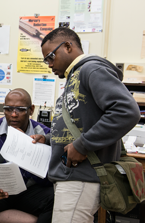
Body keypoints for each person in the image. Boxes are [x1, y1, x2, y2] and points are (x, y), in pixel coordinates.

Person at [32, 27, 140, 222]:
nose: (49, 64)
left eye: (50, 57)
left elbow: (126, 111)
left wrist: (82, 145)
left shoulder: (91, 69)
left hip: (81, 176)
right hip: (71, 176)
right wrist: (48, 139)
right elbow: (80, 122)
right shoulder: (75, 75)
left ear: (67, 46)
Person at [0, 89, 54, 223]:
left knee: (55, 199)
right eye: (8, 109)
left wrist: (27, 150)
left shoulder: (44, 134)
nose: (13, 115)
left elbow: (50, 178)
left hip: (29, 192)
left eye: (20, 110)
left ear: (31, 110)